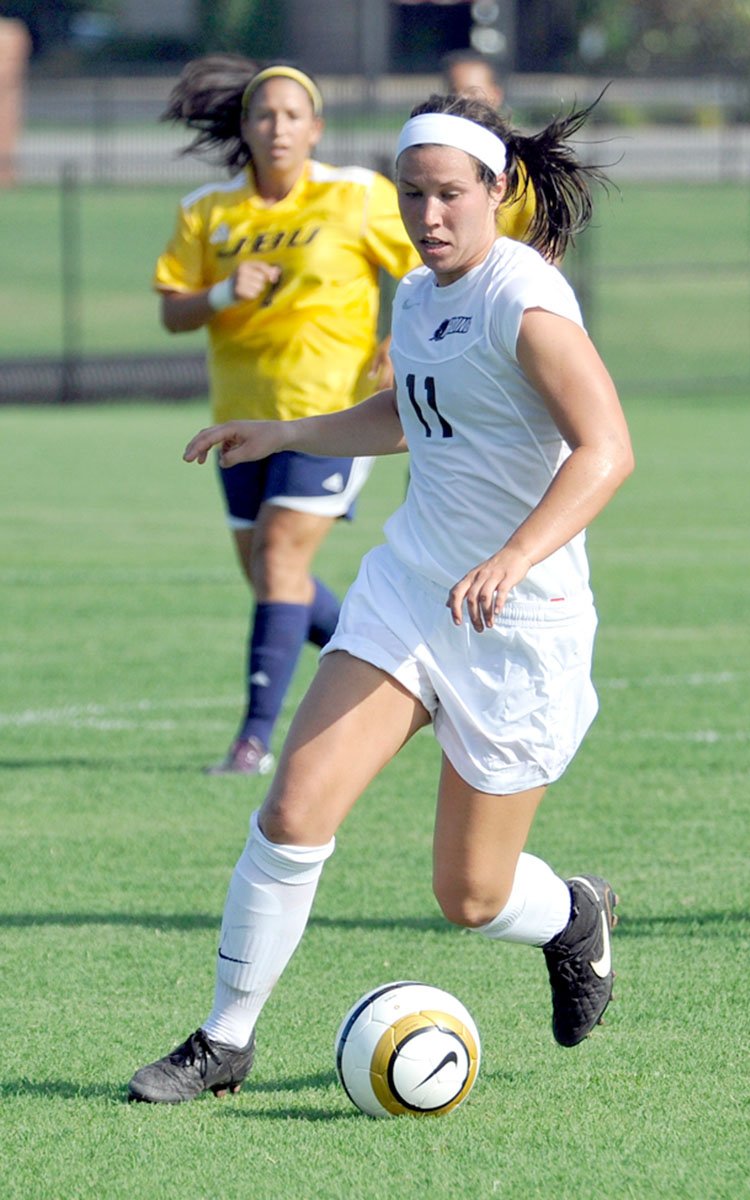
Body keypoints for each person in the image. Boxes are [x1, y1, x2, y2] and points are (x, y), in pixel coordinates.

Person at [128, 90, 634, 1104]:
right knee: (293, 808)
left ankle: (573, 914)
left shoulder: (520, 299)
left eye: (449, 195)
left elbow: (606, 450)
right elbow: (410, 414)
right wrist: (286, 432)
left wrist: (512, 557)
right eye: (412, 195)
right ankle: (224, 1041)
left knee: (471, 896)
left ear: (497, 190)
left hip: (516, 624)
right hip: (409, 591)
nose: (428, 216)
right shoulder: (416, 292)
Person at [154, 55, 421, 775]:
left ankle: (251, 742)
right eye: (264, 114)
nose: (278, 127)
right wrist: (219, 296)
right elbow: (172, 311)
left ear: (316, 129)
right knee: (278, 582)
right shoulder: (209, 210)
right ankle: (410, 669)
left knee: (279, 560)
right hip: (242, 420)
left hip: (332, 416)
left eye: (292, 115)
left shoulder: (353, 195)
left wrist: (402, 338)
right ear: (244, 126)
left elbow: (427, 264)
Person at [442, 49, 537, 245]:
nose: (462, 103)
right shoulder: (431, 162)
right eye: (454, 93)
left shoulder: (522, 166)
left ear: (496, 95)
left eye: (472, 93)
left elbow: (546, 247)